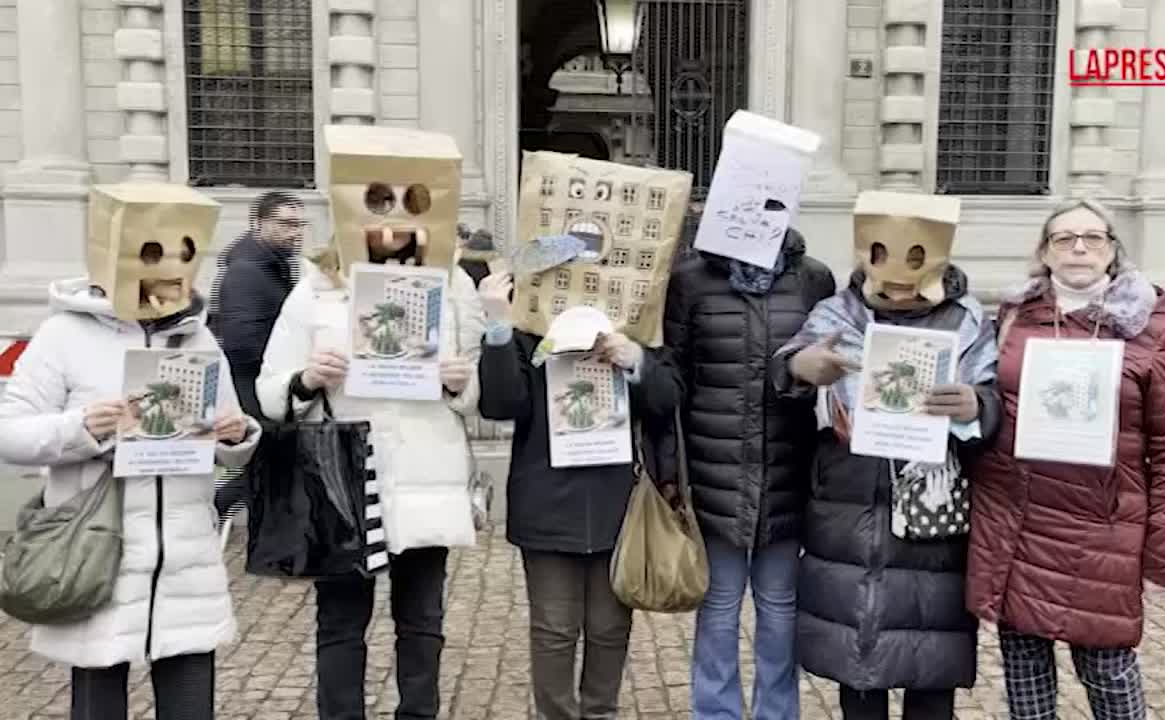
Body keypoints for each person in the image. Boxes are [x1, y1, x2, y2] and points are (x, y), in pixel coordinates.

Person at [0, 183, 260, 720]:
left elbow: (227, 442)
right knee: (99, 707)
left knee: (191, 707)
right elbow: (10, 433)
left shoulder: (199, 339)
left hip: (184, 562)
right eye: (150, 254)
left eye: (181, 254)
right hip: (98, 554)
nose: (166, 268)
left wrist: (236, 437)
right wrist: (82, 429)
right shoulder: (63, 336)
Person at [966, 199, 1165, 720]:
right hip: (1018, 521)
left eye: (1092, 238)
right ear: (1044, 252)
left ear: (1112, 250)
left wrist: (1164, 549)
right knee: (1024, 669)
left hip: (1102, 530)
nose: (1078, 247)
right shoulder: (1014, 317)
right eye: (1063, 238)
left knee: (1108, 671)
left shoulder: (1152, 328)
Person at [773, 191, 1000, 720]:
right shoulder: (836, 312)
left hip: (932, 522)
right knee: (859, 667)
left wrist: (975, 404)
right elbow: (790, 364)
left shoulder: (965, 321)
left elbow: (992, 401)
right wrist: (801, 366)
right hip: (849, 510)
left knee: (929, 666)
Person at [255, 229, 484, 719]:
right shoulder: (316, 285)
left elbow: (479, 389)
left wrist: (459, 382)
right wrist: (308, 379)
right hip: (345, 475)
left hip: (426, 470)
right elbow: (271, 387)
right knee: (340, 620)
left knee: (422, 619)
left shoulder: (452, 282)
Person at [475, 270, 682, 720]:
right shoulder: (529, 327)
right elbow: (501, 404)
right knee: (553, 629)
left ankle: (600, 712)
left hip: (617, 501)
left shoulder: (634, 321)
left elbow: (667, 400)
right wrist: (497, 326)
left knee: (610, 628)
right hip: (547, 500)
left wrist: (637, 361)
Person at [654, 225, 834, 719]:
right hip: (714, 473)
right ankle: (715, 712)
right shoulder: (691, 278)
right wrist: (669, 469)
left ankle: (777, 711)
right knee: (718, 607)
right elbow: (675, 377)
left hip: (788, 467)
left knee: (779, 607)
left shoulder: (811, 278)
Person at [208, 191, 306, 526]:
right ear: (258, 224)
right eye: (285, 223)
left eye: (299, 224)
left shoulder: (271, 264)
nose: (295, 231)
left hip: (259, 380)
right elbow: (241, 341)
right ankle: (218, 507)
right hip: (250, 384)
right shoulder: (247, 270)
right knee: (268, 461)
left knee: (269, 464)